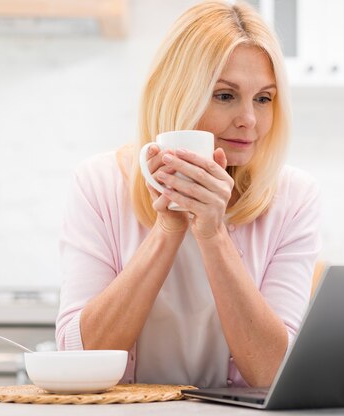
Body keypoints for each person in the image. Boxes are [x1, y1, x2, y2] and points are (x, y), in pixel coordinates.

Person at [55, 0, 321, 389]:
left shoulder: (293, 197)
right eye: (225, 95)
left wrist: (213, 234)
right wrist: (168, 227)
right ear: (179, 95)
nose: (249, 118)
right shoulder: (100, 183)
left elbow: (274, 373)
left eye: (263, 98)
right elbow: (80, 359)